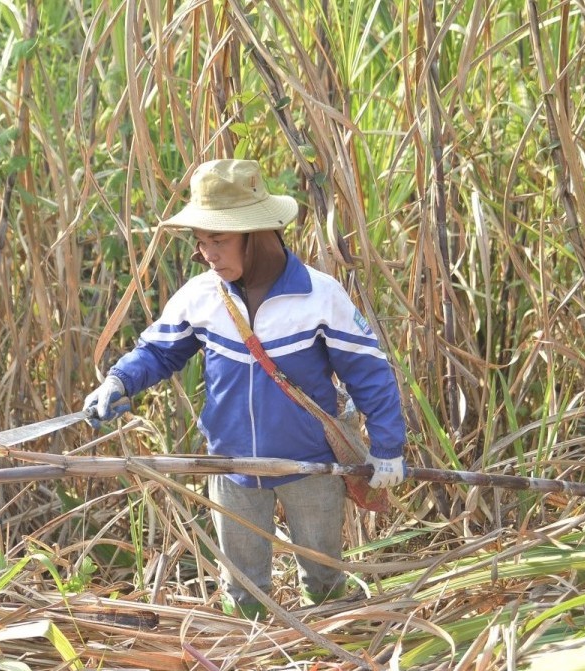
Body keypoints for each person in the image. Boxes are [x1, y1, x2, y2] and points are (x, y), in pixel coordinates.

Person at [82, 159, 407, 618]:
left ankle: (330, 645)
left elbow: (369, 373)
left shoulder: (318, 295)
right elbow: (158, 352)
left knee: (324, 575)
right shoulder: (202, 296)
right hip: (233, 466)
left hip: (310, 465)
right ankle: (250, 650)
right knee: (243, 587)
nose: (207, 253)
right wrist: (119, 380)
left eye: (219, 239)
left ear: (256, 238)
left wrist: (389, 446)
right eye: (201, 241)